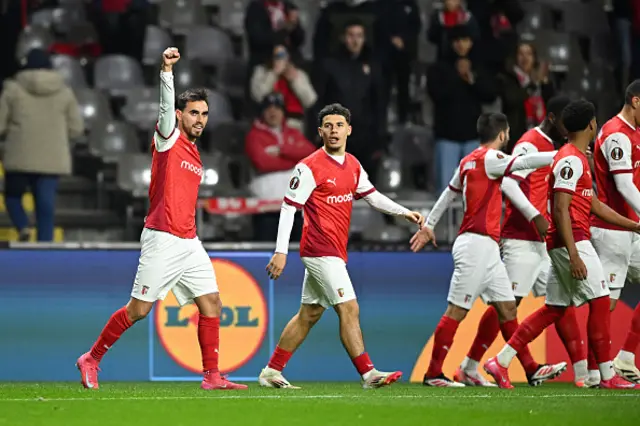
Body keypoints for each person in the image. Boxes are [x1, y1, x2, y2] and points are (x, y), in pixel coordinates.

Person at [75, 48, 247, 391]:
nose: (200, 119)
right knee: (138, 310)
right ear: (180, 115)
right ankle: (91, 358)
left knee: (211, 302)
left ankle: (212, 377)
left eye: (205, 114)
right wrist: (166, 72)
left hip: (188, 240)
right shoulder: (168, 139)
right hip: (163, 237)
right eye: (193, 113)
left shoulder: (195, 152)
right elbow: (165, 108)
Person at [259, 103, 425, 389]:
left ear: (349, 130)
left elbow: (372, 196)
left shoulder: (353, 164)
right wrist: (281, 251)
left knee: (308, 315)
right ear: (320, 131)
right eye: (328, 125)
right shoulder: (309, 167)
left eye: (339, 125)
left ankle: (271, 371)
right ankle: (369, 373)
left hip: (335, 251)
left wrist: (404, 213)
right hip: (319, 250)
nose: (334, 131)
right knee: (349, 308)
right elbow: (289, 208)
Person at [483, 100, 640, 390]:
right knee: (601, 300)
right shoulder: (570, 159)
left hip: (566, 240)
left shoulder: (578, 157)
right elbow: (560, 209)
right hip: (573, 239)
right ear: (591, 124)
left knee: (554, 308)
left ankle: (501, 361)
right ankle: (606, 374)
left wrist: (632, 224)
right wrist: (574, 254)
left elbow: (591, 203)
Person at [409, 112, 566, 387]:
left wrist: (430, 224)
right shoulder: (491, 159)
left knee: (507, 308)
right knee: (457, 310)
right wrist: (562, 156)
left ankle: (529, 367)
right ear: (503, 134)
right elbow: (525, 161)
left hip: (487, 247)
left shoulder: (468, 160)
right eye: (507, 134)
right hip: (475, 244)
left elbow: (448, 193)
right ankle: (433, 373)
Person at [454, 96, 590, 388]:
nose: (570, 130)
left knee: (560, 301)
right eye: (566, 123)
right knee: (508, 306)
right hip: (521, 238)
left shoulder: (553, 146)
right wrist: (533, 216)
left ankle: (583, 373)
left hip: (543, 242)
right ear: (552, 118)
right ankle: (470, 365)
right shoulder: (530, 143)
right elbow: (508, 183)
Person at [0, 48, 84, 242]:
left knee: (13, 197)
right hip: (52, 157)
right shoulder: (64, 92)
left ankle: (22, 226)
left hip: (19, 155)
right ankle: (45, 246)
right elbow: (76, 128)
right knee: (45, 205)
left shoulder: (12, 89)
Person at [589, 80, 640, 385]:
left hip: (632, 227)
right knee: (604, 302)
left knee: (603, 301)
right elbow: (623, 186)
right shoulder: (615, 135)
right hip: (612, 229)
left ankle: (627, 358)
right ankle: (598, 372)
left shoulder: (635, 133)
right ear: (636, 100)